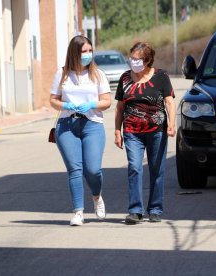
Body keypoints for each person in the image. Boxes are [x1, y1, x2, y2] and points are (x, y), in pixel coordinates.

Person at [50, 35, 111, 226]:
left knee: (92, 169)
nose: (87, 54)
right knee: (75, 169)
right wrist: (65, 104)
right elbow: (53, 99)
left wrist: (93, 104)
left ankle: (97, 196)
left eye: (89, 51)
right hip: (67, 125)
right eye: (83, 51)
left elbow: (107, 101)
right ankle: (78, 212)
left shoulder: (97, 74)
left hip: (92, 124)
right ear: (74, 53)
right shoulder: (62, 74)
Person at [114, 41, 176, 224]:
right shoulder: (125, 78)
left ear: (147, 60)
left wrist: (171, 124)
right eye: (131, 58)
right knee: (134, 167)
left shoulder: (161, 77)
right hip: (132, 131)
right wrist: (117, 131)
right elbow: (119, 107)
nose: (133, 62)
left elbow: (169, 102)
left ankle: (155, 209)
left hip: (157, 131)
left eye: (137, 59)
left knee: (157, 170)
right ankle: (135, 211)